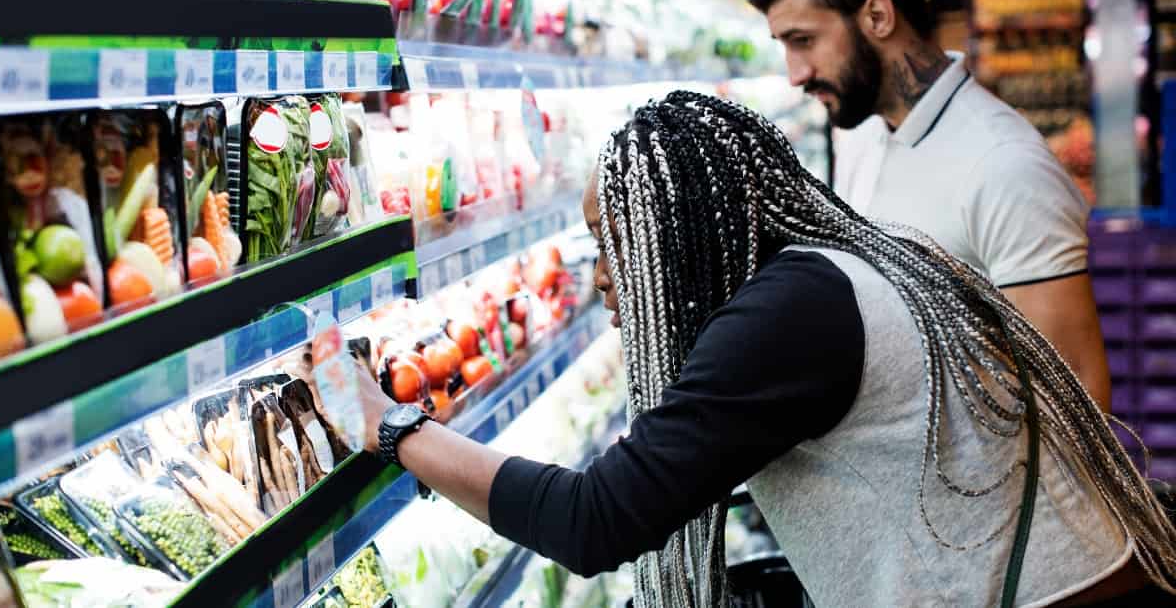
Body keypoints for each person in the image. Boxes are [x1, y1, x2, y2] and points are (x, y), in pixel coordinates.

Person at [352, 92, 1176, 607]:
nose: (601, 276)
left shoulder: (786, 317)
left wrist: (399, 431)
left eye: (612, 244)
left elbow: (596, 519)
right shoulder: (826, 273)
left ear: (673, 237)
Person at [742, 0, 1112, 412]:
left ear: (877, 16)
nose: (795, 73)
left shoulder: (1005, 166)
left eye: (804, 41)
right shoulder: (862, 135)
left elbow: (1080, 396)